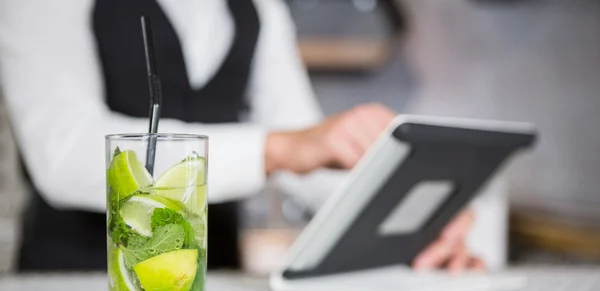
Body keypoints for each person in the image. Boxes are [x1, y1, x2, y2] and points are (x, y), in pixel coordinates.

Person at [0, 0, 482, 272]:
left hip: (213, 282)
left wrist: (412, 221)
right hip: (74, 283)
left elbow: (308, 157)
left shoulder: (261, 8)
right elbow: (60, 152)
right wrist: (279, 148)